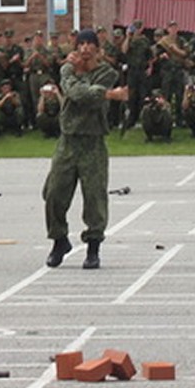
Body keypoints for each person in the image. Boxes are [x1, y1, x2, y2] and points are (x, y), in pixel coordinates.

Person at [43, 29, 126, 270]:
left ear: (98, 51)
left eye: (91, 44)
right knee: (54, 192)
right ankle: (59, 239)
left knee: (94, 196)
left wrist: (99, 91)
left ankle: (93, 247)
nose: (86, 48)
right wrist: (108, 95)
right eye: (82, 44)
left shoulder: (107, 73)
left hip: (93, 141)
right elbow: (75, 93)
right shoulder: (66, 69)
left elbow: (86, 97)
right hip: (68, 140)